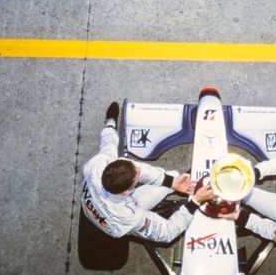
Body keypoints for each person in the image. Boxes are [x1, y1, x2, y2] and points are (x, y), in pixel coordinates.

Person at [81, 102, 213, 241]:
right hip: (116, 219)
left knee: (173, 176)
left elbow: (108, 141)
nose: (140, 170)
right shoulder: (129, 218)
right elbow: (168, 232)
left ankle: (109, 122)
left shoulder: (98, 164)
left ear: (111, 163)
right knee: (173, 190)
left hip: (107, 201)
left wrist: (172, 182)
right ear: (126, 192)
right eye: (137, 178)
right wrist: (195, 202)